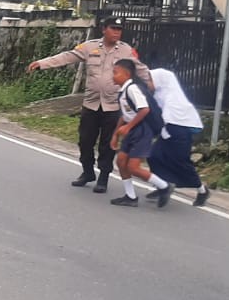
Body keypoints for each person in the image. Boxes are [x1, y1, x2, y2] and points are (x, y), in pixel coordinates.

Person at [27, 16, 151, 193]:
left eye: (119, 29)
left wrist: (152, 83)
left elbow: (141, 69)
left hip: (113, 106)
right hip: (91, 104)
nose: (117, 32)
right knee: (85, 141)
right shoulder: (89, 47)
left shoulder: (126, 51)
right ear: (104, 29)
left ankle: (103, 178)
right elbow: (67, 56)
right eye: (113, 28)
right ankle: (87, 172)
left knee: (108, 145)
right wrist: (42, 63)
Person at [109, 59, 173, 208]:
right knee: (120, 161)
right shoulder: (123, 91)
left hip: (142, 130)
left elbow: (144, 109)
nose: (112, 76)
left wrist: (128, 127)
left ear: (126, 74)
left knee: (133, 167)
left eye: (115, 72)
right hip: (132, 129)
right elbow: (124, 115)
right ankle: (130, 197)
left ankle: (164, 186)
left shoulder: (133, 89)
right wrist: (115, 134)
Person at [145, 67, 210, 207]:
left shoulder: (174, 98)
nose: (148, 83)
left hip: (179, 133)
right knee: (153, 156)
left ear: (160, 81)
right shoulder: (159, 95)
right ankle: (163, 186)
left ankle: (202, 190)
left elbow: (170, 116)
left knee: (181, 162)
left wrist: (165, 129)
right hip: (167, 132)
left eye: (150, 80)